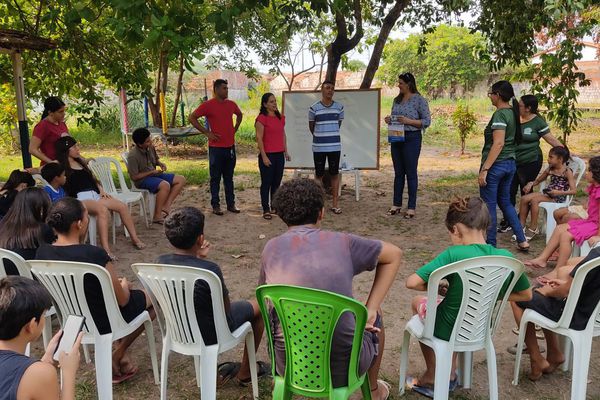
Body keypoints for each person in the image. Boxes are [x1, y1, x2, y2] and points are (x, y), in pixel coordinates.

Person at [260, 178, 402, 400]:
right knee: (375, 313)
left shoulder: (270, 248)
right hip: (342, 370)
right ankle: (372, 390)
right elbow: (394, 254)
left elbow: (266, 298)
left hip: (288, 363)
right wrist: (372, 308)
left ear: (280, 214)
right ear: (322, 213)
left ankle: (283, 386)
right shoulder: (344, 243)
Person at [405, 197, 532, 397]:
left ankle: (433, 374)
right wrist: (489, 294)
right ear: (486, 226)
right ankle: (451, 371)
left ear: (455, 229)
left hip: (447, 328)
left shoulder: (454, 254)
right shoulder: (507, 258)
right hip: (480, 326)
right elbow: (526, 294)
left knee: (418, 302)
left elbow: (412, 282)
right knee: (452, 310)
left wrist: (437, 288)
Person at [36, 197, 154, 383]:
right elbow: (122, 300)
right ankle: (118, 353)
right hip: (104, 319)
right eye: (86, 215)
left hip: (73, 319)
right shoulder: (94, 254)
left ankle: (120, 356)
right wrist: (124, 285)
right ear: (79, 223)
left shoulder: (42, 253)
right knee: (154, 299)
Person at [157, 207, 269, 385]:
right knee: (260, 306)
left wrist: (198, 258)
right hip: (212, 333)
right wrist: (200, 260)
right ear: (200, 239)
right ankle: (245, 372)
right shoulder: (209, 270)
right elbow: (225, 313)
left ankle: (215, 374)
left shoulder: (158, 264)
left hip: (179, 330)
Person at [513, 246, 600, 380]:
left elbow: (564, 292)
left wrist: (548, 291)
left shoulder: (596, 254)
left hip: (571, 314)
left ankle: (536, 358)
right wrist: (563, 284)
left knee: (518, 297)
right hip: (589, 314)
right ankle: (554, 353)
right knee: (542, 292)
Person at [55, 136, 145, 259]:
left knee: (122, 206)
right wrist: (30, 171)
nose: (78, 149)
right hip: (80, 198)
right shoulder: (60, 166)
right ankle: (106, 249)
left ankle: (135, 239)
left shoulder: (80, 162)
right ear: (66, 150)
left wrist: (101, 190)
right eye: (74, 147)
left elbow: (92, 179)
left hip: (95, 194)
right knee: (102, 210)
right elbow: (44, 169)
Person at [0, 276, 82, 400]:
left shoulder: (35, 372)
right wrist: (68, 373)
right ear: (32, 325)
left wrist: (44, 362)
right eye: (43, 314)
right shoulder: (39, 374)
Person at [498, 95, 564, 233]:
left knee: (525, 190)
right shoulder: (514, 118)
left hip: (531, 162)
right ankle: (509, 220)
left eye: (521, 106)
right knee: (508, 190)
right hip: (513, 161)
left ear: (528, 108)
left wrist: (566, 152)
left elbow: (551, 139)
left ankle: (520, 222)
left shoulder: (537, 122)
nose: (518, 107)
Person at [525, 156, 600, 274]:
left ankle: (558, 270)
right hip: (590, 221)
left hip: (596, 226)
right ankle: (542, 259)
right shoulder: (595, 187)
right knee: (560, 228)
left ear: (596, 173)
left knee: (565, 236)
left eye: (589, 170)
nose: (587, 172)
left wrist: (598, 236)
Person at [479, 80, 529, 250]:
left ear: (498, 95)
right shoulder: (512, 113)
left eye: (491, 94)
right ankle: (522, 240)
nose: (490, 97)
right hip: (510, 165)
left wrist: (485, 169)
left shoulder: (500, 114)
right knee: (506, 203)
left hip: (496, 166)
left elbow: (498, 143)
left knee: (489, 205)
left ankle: (491, 244)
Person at [188, 79, 243, 216]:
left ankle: (231, 204)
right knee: (215, 178)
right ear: (216, 89)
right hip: (216, 149)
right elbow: (192, 117)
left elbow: (240, 115)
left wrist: (235, 128)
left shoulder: (231, 104)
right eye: (224, 88)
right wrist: (207, 132)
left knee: (229, 177)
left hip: (230, 147)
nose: (227, 90)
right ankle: (216, 205)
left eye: (227, 88)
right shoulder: (208, 105)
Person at [384, 72, 431, 218]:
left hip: (412, 138)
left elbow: (426, 121)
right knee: (398, 173)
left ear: (409, 84)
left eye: (401, 83)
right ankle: (396, 204)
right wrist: (389, 119)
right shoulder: (396, 100)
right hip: (396, 137)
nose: (398, 85)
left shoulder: (419, 100)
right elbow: (394, 116)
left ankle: (411, 207)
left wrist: (408, 121)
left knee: (411, 172)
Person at [127, 128, 186, 224]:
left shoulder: (150, 147)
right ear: (139, 144)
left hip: (154, 174)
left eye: (149, 139)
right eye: (147, 141)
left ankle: (166, 206)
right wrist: (151, 173)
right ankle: (157, 216)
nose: (150, 142)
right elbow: (134, 177)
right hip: (142, 180)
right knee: (165, 185)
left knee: (181, 179)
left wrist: (160, 163)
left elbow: (156, 160)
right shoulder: (133, 156)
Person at [517, 146, 575, 240]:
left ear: (560, 159)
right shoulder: (550, 168)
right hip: (548, 194)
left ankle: (533, 228)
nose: (548, 160)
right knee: (524, 198)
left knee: (535, 200)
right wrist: (530, 184)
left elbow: (574, 190)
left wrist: (558, 192)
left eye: (551, 157)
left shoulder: (567, 172)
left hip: (558, 197)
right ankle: (520, 226)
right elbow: (539, 180)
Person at [308, 80, 345, 215]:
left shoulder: (339, 107)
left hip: (334, 146)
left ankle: (335, 204)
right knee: (319, 175)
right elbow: (311, 127)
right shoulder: (314, 108)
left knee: (335, 174)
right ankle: (319, 206)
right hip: (319, 147)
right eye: (327, 88)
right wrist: (321, 136)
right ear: (322, 90)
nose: (330, 90)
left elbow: (338, 123)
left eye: (332, 88)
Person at [0, 187, 55, 275]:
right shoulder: (42, 230)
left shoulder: (3, 225)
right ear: (41, 209)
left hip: (4, 280)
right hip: (29, 282)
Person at [255, 93, 290, 220]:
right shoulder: (261, 118)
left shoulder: (280, 118)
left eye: (275, 101)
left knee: (277, 182)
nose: (274, 103)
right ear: (265, 104)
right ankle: (266, 209)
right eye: (271, 102)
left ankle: (275, 206)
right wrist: (264, 156)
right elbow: (259, 138)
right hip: (267, 155)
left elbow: (283, 135)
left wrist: (286, 151)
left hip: (279, 155)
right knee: (266, 183)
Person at [29, 97, 69, 165]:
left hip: (65, 164)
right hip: (52, 169)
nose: (64, 114)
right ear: (50, 113)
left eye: (64, 111)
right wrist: (51, 162)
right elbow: (32, 149)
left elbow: (70, 145)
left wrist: (83, 159)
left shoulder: (62, 124)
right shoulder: (42, 126)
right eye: (60, 112)